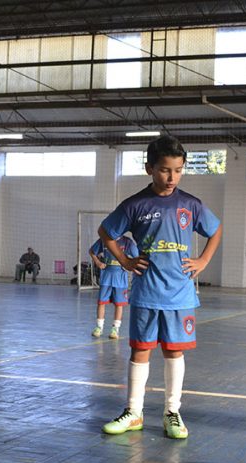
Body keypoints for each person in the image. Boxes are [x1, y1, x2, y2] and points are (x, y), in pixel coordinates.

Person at [98, 135, 222, 439]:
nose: (172, 177)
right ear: (149, 168)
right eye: (166, 170)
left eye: (178, 170)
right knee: (140, 351)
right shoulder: (135, 205)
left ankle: (172, 412)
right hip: (146, 292)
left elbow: (216, 229)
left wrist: (204, 260)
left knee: (173, 352)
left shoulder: (190, 204)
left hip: (179, 295)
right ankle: (134, 413)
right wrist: (125, 260)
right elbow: (106, 231)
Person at [89, 234, 138, 339]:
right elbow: (92, 251)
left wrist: (129, 265)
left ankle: (115, 329)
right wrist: (97, 262)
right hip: (106, 276)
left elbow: (137, 257)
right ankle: (99, 327)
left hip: (120, 278)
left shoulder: (127, 242)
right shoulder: (104, 239)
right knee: (101, 302)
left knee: (119, 304)